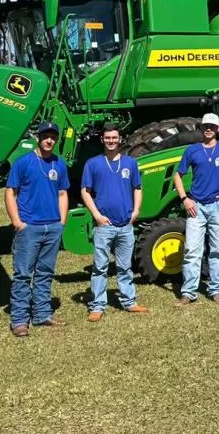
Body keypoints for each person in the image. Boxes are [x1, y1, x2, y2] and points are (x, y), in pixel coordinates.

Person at [5, 121, 70, 336]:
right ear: (38, 137)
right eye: (45, 136)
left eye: (53, 136)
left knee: (45, 273)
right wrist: (17, 222)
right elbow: (10, 192)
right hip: (29, 227)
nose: (49, 140)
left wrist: (61, 222)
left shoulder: (59, 164)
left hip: (52, 226)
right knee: (23, 274)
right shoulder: (23, 163)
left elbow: (62, 193)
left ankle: (42, 314)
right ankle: (20, 319)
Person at [172, 112, 219, 306]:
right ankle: (189, 292)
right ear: (201, 128)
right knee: (192, 250)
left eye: (212, 126)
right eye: (205, 126)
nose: (208, 129)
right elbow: (178, 176)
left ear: (218, 129)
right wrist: (185, 199)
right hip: (196, 207)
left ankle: (216, 290)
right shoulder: (192, 150)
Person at [82, 124, 147, 319]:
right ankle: (97, 306)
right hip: (105, 225)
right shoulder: (93, 164)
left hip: (125, 224)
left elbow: (137, 187)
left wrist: (136, 211)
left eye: (114, 138)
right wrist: (96, 215)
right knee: (100, 267)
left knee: (125, 266)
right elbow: (85, 192)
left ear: (120, 140)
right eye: (107, 138)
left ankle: (129, 301)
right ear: (102, 140)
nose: (111, 141)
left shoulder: (130, 163)